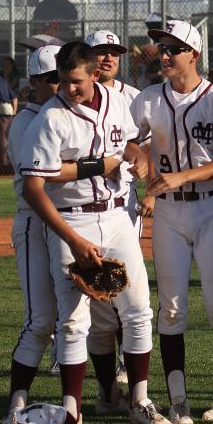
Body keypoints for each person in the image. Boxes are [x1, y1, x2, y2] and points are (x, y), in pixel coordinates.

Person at [19, 41, 172, 424]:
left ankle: (140, 402)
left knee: (138, 309)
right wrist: (70, 239)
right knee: (72, 322)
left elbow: (130, 146)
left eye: (77, 81)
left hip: (118, 216)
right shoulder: (50, 119)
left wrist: (139, 160)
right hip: (73, 221)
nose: (69, 89)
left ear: (94, 74)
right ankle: (72, 414)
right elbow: (33, 188)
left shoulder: (118, 102)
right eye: (64, 81)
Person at [130, 20, 213, 424]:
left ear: (193, 54)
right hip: (169, 213)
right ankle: (177, 399)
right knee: (171, 310)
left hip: (212, 208)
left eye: (173, 49)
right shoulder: (148, 99)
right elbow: (129, 141)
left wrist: (182, 175)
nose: (164, 55)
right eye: (162, 48)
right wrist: (140, 157)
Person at [83, 29, 142, 395]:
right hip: (86, 208)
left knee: (123, 286)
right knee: (91, 286)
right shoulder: (74, 97)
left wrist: (142, 167)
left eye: (114, 52)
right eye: (101, 52)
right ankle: (76, 352)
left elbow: (142, 147)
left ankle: (123, 363)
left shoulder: (132, 97)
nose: (108, 58)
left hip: (124, 205)